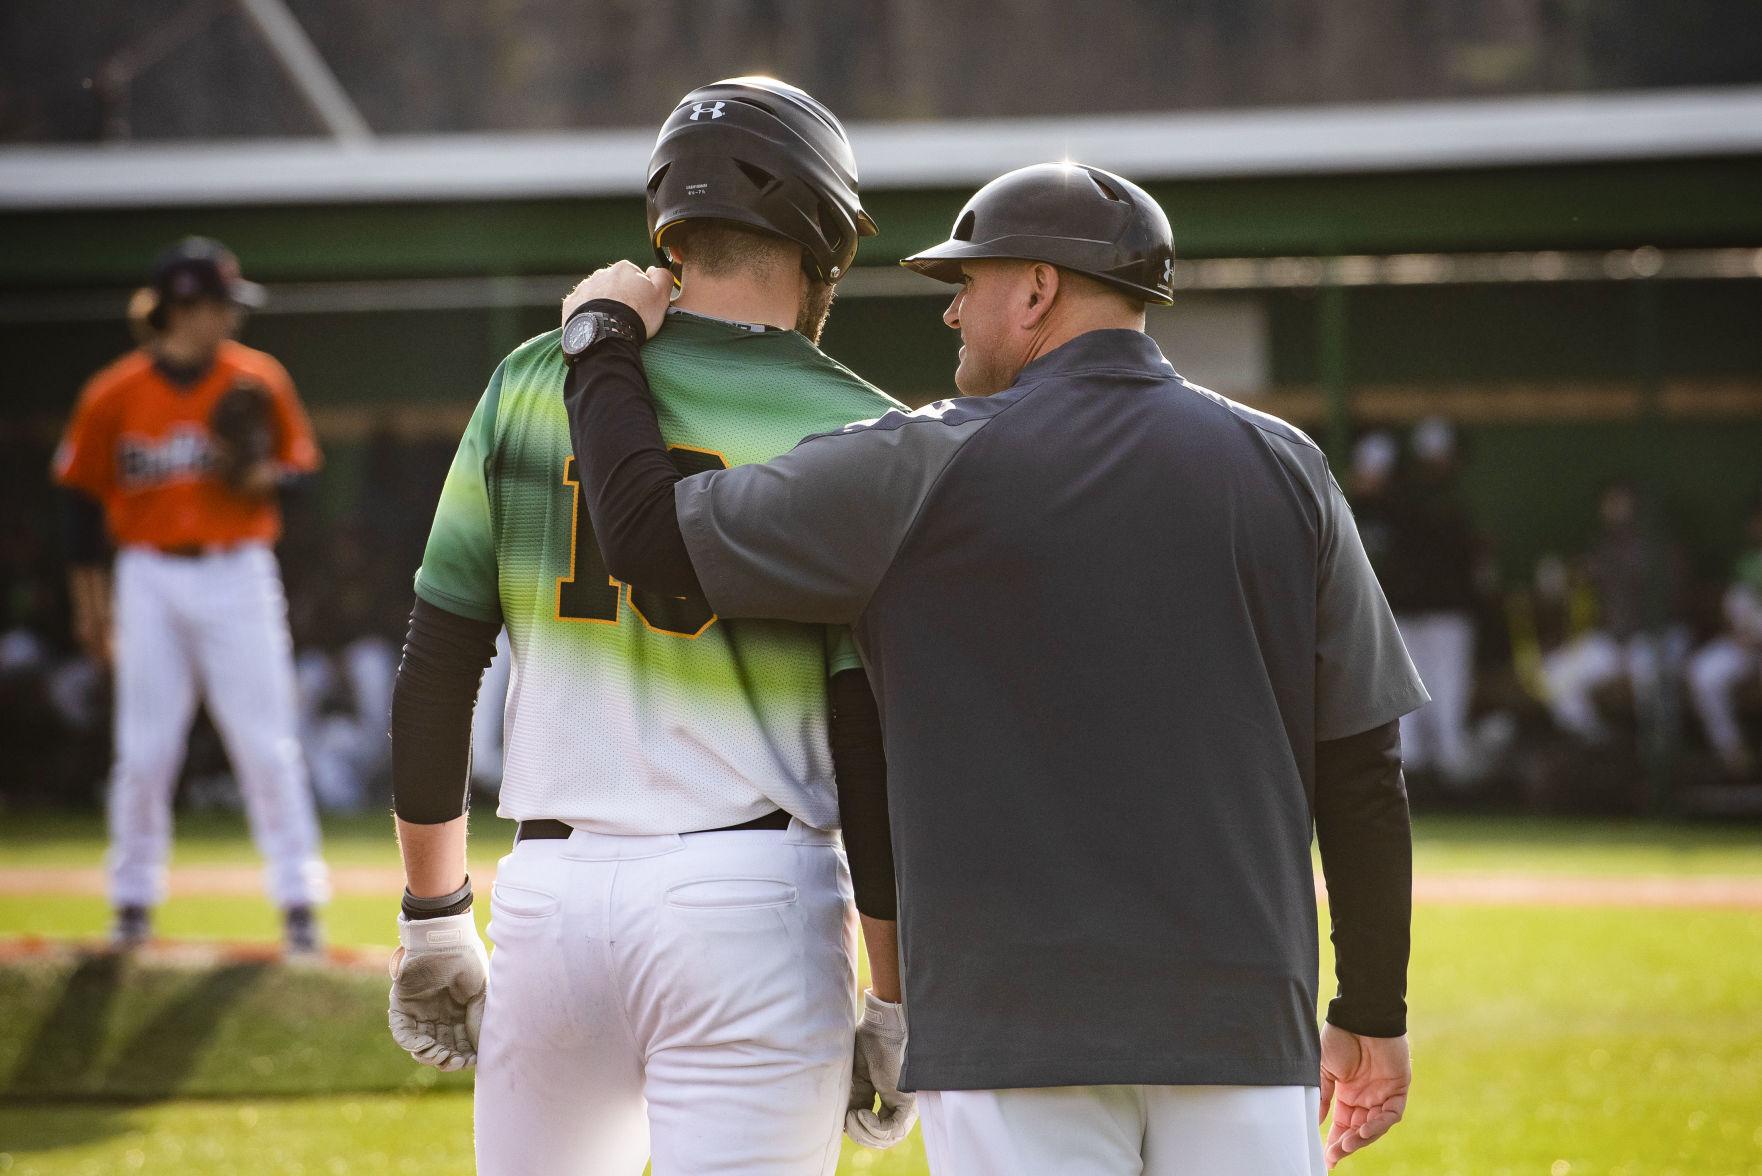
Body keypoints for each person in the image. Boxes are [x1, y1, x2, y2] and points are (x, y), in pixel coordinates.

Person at [560, 161, 1430, 1174]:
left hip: (1007, 1028)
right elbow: (1363, 770)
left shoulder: (909, 465)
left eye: (965, 284)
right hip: (1240, 1025)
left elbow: (648, 544)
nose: (953, 314)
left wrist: (601, 341)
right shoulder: (1285, 465)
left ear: (1035, 290)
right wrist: (1371, 1009)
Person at [384, 77, 913, 1176]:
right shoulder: (858, 424)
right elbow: (867, 734)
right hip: (751, 897)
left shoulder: (533, 378)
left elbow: (438, 664)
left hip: (549, 901)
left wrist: (434, 915)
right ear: (821, 233)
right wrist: (899, 990)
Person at [51, 236, 329, 954]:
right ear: (183, 306)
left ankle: (299, 902)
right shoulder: (114, 393)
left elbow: (305, 473)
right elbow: (79, 513)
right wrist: (91, 608)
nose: (231, 319)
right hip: (148, 576)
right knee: (144, 750)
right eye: (219, 305)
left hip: (238, 570)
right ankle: (132, 902)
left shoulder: (258, 378)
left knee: (266, 745)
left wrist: (262, 477)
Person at [1541, 479, 1688, 747]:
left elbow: (1672, 601)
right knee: (1555, 673)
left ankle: (1660, 757)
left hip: (1658, 636)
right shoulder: (1604, 546)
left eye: (1620, 502)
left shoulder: (1662, 547)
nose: (1613, 509)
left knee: (1652, 677)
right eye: (1609, 503)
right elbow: (1581, 582)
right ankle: (1595, 741)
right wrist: (1570, 577)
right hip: (1614, 641)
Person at [1386, 418, 1480, 787]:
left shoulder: (1457, 499)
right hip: (1409, 612)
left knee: (1447, 700)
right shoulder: (1400, 498)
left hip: (1447, 613)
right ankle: (1415, 779)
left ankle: (1452, 780)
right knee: (1409, 702)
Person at [1687, 501, 1762, 779]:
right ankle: (1732, 752)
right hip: (1744, 645)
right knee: (1704, 673)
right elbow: (1734, 609)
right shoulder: (1746, 564)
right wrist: (1737, 632)